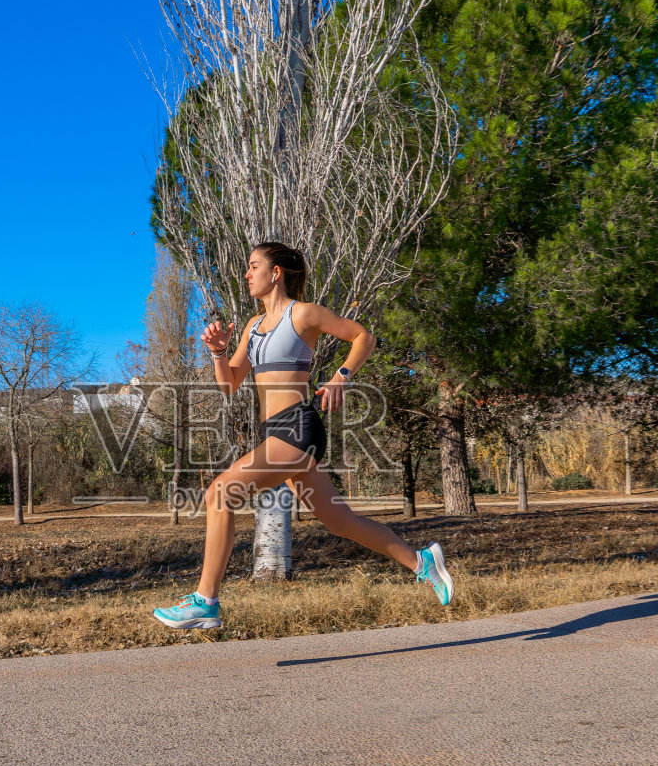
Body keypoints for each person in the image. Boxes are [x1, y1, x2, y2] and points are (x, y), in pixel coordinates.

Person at [153, 241, 454, 631]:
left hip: (297, 427)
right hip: (275, 433)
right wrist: (217, 352)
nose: (246, 273)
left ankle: (206, 601)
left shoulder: (304, 314)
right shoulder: (253, 327)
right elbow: (229, 385)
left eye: (253, 265)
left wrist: (340, 377)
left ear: (275, 273)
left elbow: (363, 336)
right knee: (339, 521)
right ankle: (421, 561)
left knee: (220, 493)